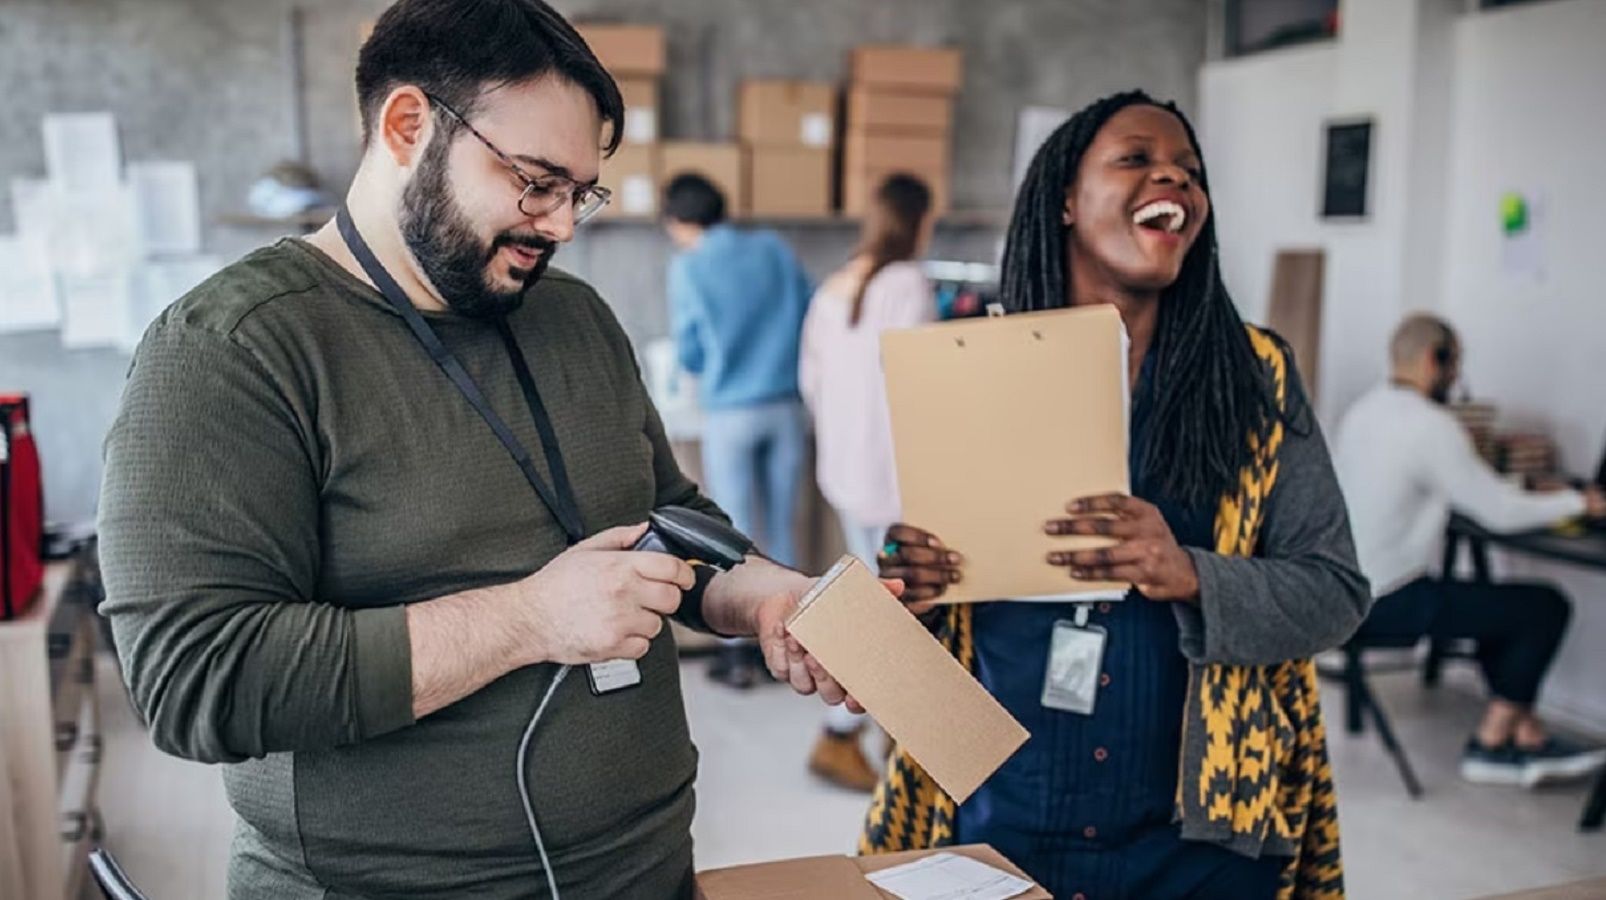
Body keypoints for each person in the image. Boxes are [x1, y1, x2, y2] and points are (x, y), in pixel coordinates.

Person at [96, 3, 856, 897]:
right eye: (535, 181)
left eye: (580, 191)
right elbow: (197, 678)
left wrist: (760, 593)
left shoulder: (576, 317)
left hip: (650, 871)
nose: (563, 225)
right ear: (408, 126)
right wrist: (528, 620)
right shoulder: (234, 348)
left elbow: (673, 521)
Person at [860, 91, 1371, 900]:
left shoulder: (1256, 377)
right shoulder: (970, 366)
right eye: (1137, 157)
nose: (1174, 175)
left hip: (1201, 841)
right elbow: (908, 640)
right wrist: (907, 591)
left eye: (1190, 171)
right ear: (1065, 198)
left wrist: (1194, 575)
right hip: (1001, 818)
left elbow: (1337, 593)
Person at [1334, 314, 1606, 786]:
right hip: (1388, 601)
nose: (1458, 379)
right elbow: (1498, 512)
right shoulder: (1431, 425)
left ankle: (1526, 732)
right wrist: (1578, 500)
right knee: (1544, 606)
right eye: (1455, 364)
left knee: (1494, 602)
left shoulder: (1364, 411)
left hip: (1341, 593)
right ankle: (1491, 744)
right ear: (1433, 360)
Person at [797, 173, 937, 791]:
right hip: (893, 475)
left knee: (877, 599)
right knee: (892, 608)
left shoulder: (835, 285)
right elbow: (924, 384)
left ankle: (874, 733)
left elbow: (812, 383)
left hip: (847, 471)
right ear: (918, 221)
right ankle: (842, 734)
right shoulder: (907, 284)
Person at [664, 173, 813, 688]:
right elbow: (807, 310)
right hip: (786, 406)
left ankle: (739, 658)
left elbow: (689, 350)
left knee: (734, 540)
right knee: (782, 529)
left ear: (680, 221)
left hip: (731, 410)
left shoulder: (689, 266)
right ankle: (796, 645)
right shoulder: (772, 247)